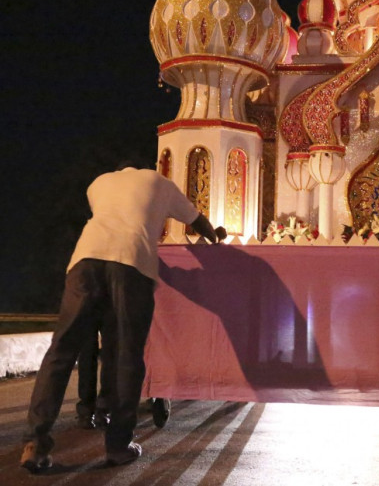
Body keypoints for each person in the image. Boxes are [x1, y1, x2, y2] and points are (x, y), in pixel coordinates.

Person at [21, 160, 226, 472]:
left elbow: (110, 216)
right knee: (127, 355)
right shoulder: (161, 182)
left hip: (85, 261)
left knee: (61, 351)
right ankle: (118, 445)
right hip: (132, 264)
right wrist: (215, 236)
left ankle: (35, 444)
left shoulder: (99, 182)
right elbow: (197, 221)